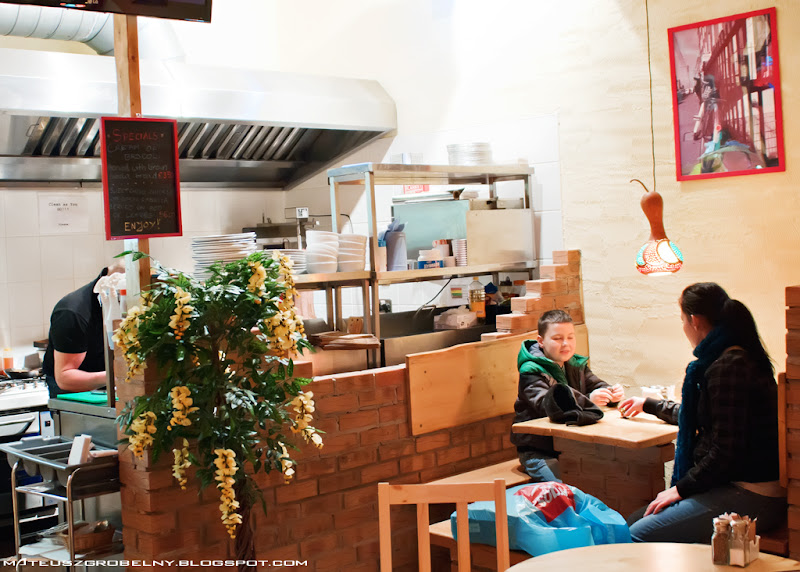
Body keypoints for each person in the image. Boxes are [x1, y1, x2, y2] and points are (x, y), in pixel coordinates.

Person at [621, 283, 785, 543]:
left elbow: (726, 452)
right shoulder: (731, 358)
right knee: (630, 522)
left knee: (636, 534)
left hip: (753, 493)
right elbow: (701, 416)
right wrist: (649, 404)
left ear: (694, 321)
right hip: (732, 485)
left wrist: (680, 489)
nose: (684, 327)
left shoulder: (729, 366)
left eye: (683, 321)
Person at [510, 309, 625, 482]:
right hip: (539, 450)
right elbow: (546, 406)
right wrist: (589, 400)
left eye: (570, 337)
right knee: (562, 489)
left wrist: (611, 394)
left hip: (573, 445)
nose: (566, 344)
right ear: (541, 341)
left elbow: (596, 385)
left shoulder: (575, 365)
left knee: (611, 472)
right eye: (557, 338)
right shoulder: (531, 371)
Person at [42, 261, 125, 398]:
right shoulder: (73, 312)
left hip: (111, 390)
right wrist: (116, 375)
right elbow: (65, 377)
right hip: (73, 398)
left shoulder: (128, 307)